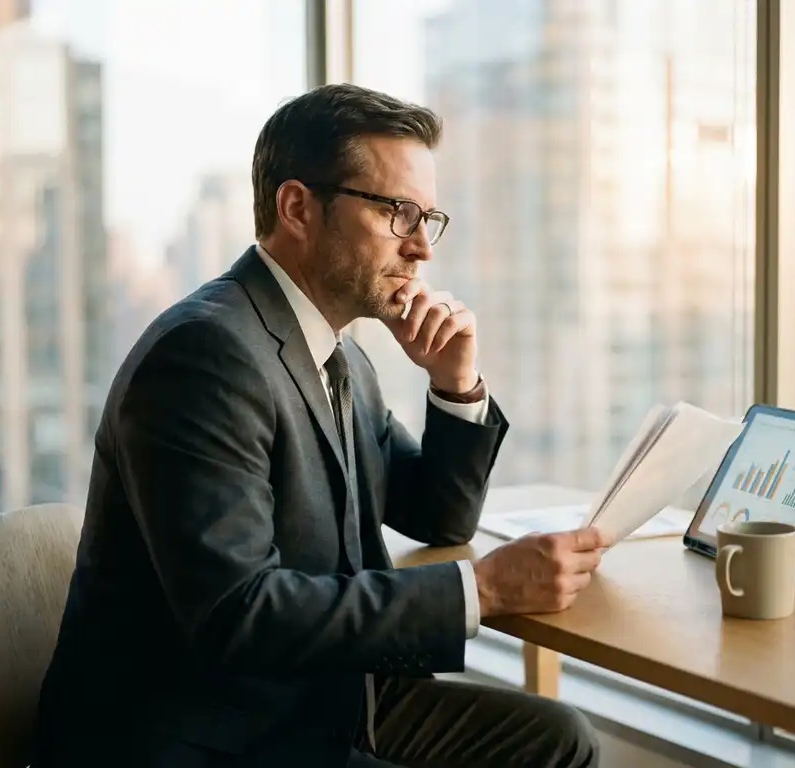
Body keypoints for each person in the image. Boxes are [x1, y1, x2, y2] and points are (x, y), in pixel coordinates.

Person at [32, 83, 610, 767]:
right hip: (213, 732)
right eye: (398, 213)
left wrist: (454, 385)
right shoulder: (204, 357)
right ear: (299, 208)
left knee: (560, 742)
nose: (422, 247)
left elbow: (437, 515)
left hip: (320, 697)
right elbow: (238, 614)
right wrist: (481, 589)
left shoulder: (338, 357)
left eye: (428, 217)